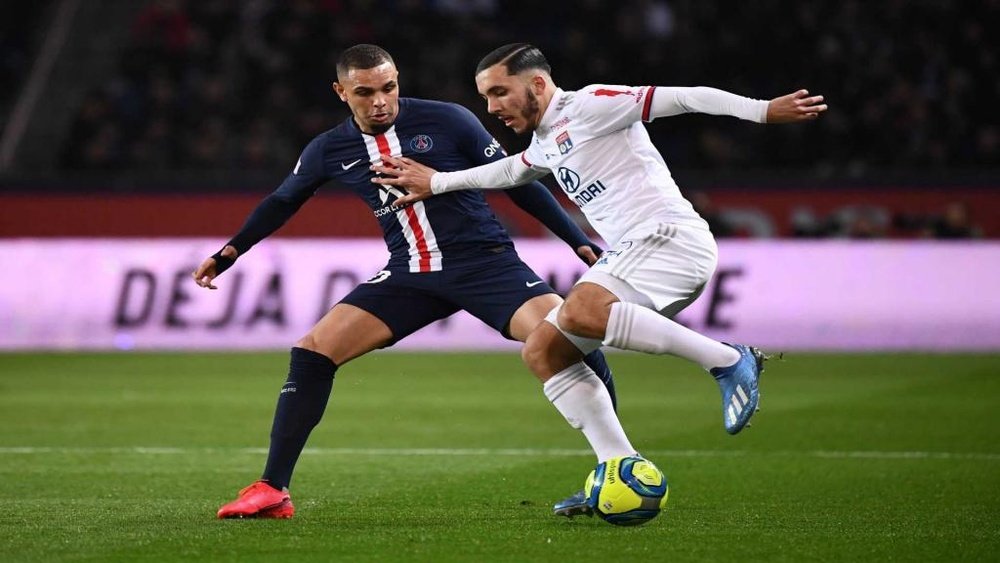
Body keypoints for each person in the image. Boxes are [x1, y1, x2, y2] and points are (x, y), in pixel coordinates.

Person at [373, 43, 827, 516]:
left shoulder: (591, 104)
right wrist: (438, 182)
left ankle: (730, 359)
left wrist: (762, 111)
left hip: (669, 237)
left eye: (500, 93)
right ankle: (618, 467)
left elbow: (686, 97)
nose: (492, 108)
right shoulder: (547, 138)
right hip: (641, 253)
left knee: (581, 309)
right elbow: (513, 171)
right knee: (544, 350)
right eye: (486, 97)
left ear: (538, 84)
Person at [195, 44, 620, 519]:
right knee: (313, 351)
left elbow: (517, 182)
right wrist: (230, 251)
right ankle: (273, 489)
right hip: (410, 272)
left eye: (388, 87)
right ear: (341, 92)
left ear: (398, 79)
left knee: (567, 338)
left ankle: (617, 466)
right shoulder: (328, 150)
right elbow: (282, 200)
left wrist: (577, 240)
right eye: (365, 92)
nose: (380, 100)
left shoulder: (448, 120)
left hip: (485, 262)